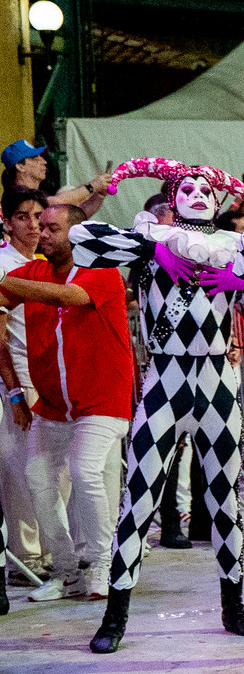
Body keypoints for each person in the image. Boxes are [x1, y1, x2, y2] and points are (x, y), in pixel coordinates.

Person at [76, 158, 244, 653]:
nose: (198, 195)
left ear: (219, 199)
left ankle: (233, 605)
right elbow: (82, 237)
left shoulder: (233, 247)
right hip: (164, 377)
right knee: (138, 499)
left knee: (225, 499)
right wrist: (154, 247)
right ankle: (115, 616)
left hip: (217, 378)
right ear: (172, 197)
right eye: (187, 188)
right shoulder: (151, 239)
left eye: (206, 189)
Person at [0, 201, 134, 598]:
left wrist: (5, 280)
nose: (41, 234)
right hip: (54, 403)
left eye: (51, 229)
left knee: (84, 470)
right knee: (37, 477)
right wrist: (14, 391)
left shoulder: (103, 272)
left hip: (102, 400)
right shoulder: (33, 272)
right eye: (40, 226)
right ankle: (67, 572)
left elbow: (67, 297)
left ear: (77, 235)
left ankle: (103, 564)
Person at [0, 189, 50, 591]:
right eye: (23, 216)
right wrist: (15, 393)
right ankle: (25, 557)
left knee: (52, 471)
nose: (33, 225)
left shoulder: (46, 263)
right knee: (20, 469)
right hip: (19, 378)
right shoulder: (3, 265)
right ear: (6, 222)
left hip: (51, 376)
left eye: (38, 216)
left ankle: (52, 551)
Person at [3, 139, 111, 217]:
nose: (44, 162)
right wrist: (93, 186)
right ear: (20, 166)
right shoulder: (16, 195)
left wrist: (99, 196)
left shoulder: (38, 195)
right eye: (35, 158)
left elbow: (78, 216)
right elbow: (57, 202)